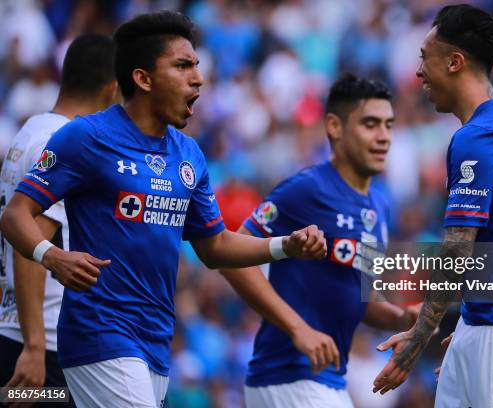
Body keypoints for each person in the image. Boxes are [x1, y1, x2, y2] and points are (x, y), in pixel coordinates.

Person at [0, 11, 326, 408]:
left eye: (197, 66)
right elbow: (16, 213)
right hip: (96, 333)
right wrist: (51, 257)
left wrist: (283, 246)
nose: (198, 78)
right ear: (143, 78)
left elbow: (215, 246)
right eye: (184, 65)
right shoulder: (84, 137)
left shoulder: (188, 154)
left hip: (155, 341)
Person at [372, 5, 493, 408]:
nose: (418, 72)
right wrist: (472, 327)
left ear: (455, 62)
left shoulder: (478, 138)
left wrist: (418, 338)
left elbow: (457, 250)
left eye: (424, 58)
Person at [220, 73, 418, 408]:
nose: (383, 136)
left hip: (328, 378)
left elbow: (361, 296)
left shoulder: (380, 205)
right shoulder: (307, 189)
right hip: (288, 375)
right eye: (370, 124)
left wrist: (402, 318)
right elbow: (229, 258)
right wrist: (298, 329)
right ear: (334, 127)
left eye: (389, 125)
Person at [0, 34, 118, 402]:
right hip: (43, 344)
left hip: (15, 330)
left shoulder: (32, 129)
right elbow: (29, 243)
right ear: (112, 90)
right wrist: (35, 347)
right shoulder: (63, 141)